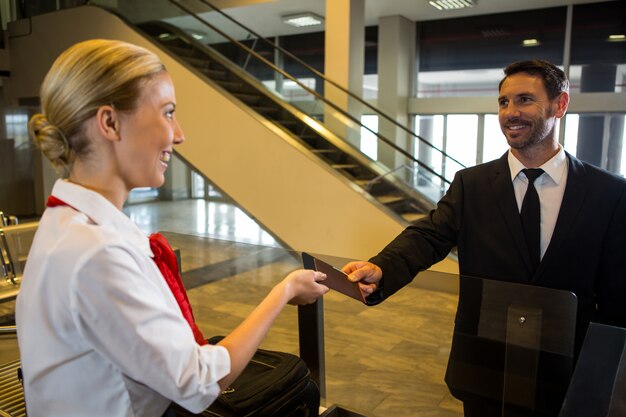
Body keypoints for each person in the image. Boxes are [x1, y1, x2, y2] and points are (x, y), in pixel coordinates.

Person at [15, 39, 329, 417]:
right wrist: (285, 290)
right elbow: (200, 382)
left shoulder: (66, 222)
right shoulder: (98, 251)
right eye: (167, 113)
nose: (178, 134)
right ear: (110, 123)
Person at [344, 60, 626, 417]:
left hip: (569, 372)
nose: (511, 113)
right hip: (485, 365)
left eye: (525, 100)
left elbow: (618, 299)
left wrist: (608, 379)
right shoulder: (471, 184)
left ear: (560, 104)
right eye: (503, 102)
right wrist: (381, 268)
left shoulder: (609, 193)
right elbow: (429, 235)